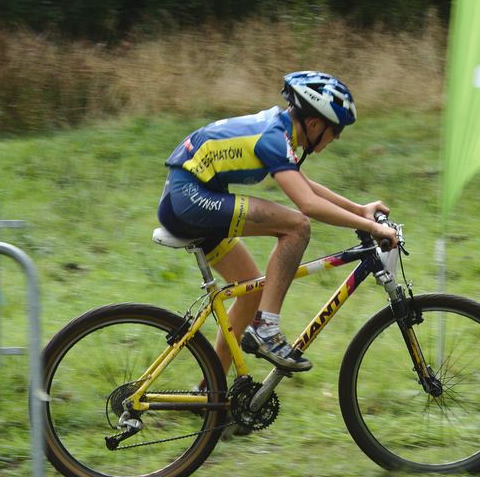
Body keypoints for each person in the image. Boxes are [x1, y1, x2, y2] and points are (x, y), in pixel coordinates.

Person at [158, 71, 398, 374]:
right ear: (314, 124)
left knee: (250, 290)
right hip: (189, 200)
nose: (336, 138)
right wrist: (372, 228)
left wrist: (360, 210)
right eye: (335, 130)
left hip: (190, 198)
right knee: (297, 226)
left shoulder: (280, 131)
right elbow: (308, 205)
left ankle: (211, 390)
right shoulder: (274, 137)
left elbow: (305, 186)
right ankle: (266, 329)